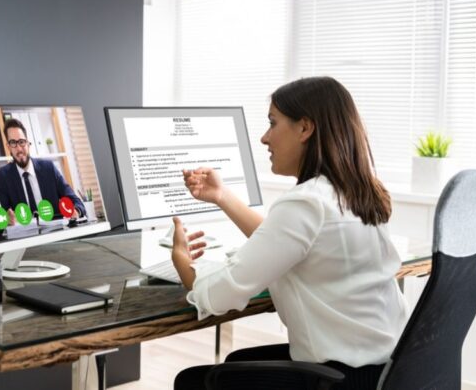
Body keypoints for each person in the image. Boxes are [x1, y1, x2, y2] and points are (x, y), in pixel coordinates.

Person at [171, 77, 410, 390]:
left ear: (305, 128)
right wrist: (221, 196)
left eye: (273, 123)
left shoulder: (306, 202)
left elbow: (219, 296)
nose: (264, 137)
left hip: (340, 380)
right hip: (388, 369)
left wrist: (182, 263)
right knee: (235, 364)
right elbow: (289, 246)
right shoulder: (356, 193)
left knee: (192, 382)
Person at [0, 118, 85, 224]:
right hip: (27, 238)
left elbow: (77, 202)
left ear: (28, 143)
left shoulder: (49, 168)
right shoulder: (4, 175)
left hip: (55, 234)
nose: (19, 149)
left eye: (22, 142)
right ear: (8, 147)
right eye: (13, 143)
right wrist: (6, 219)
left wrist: (76, 211)